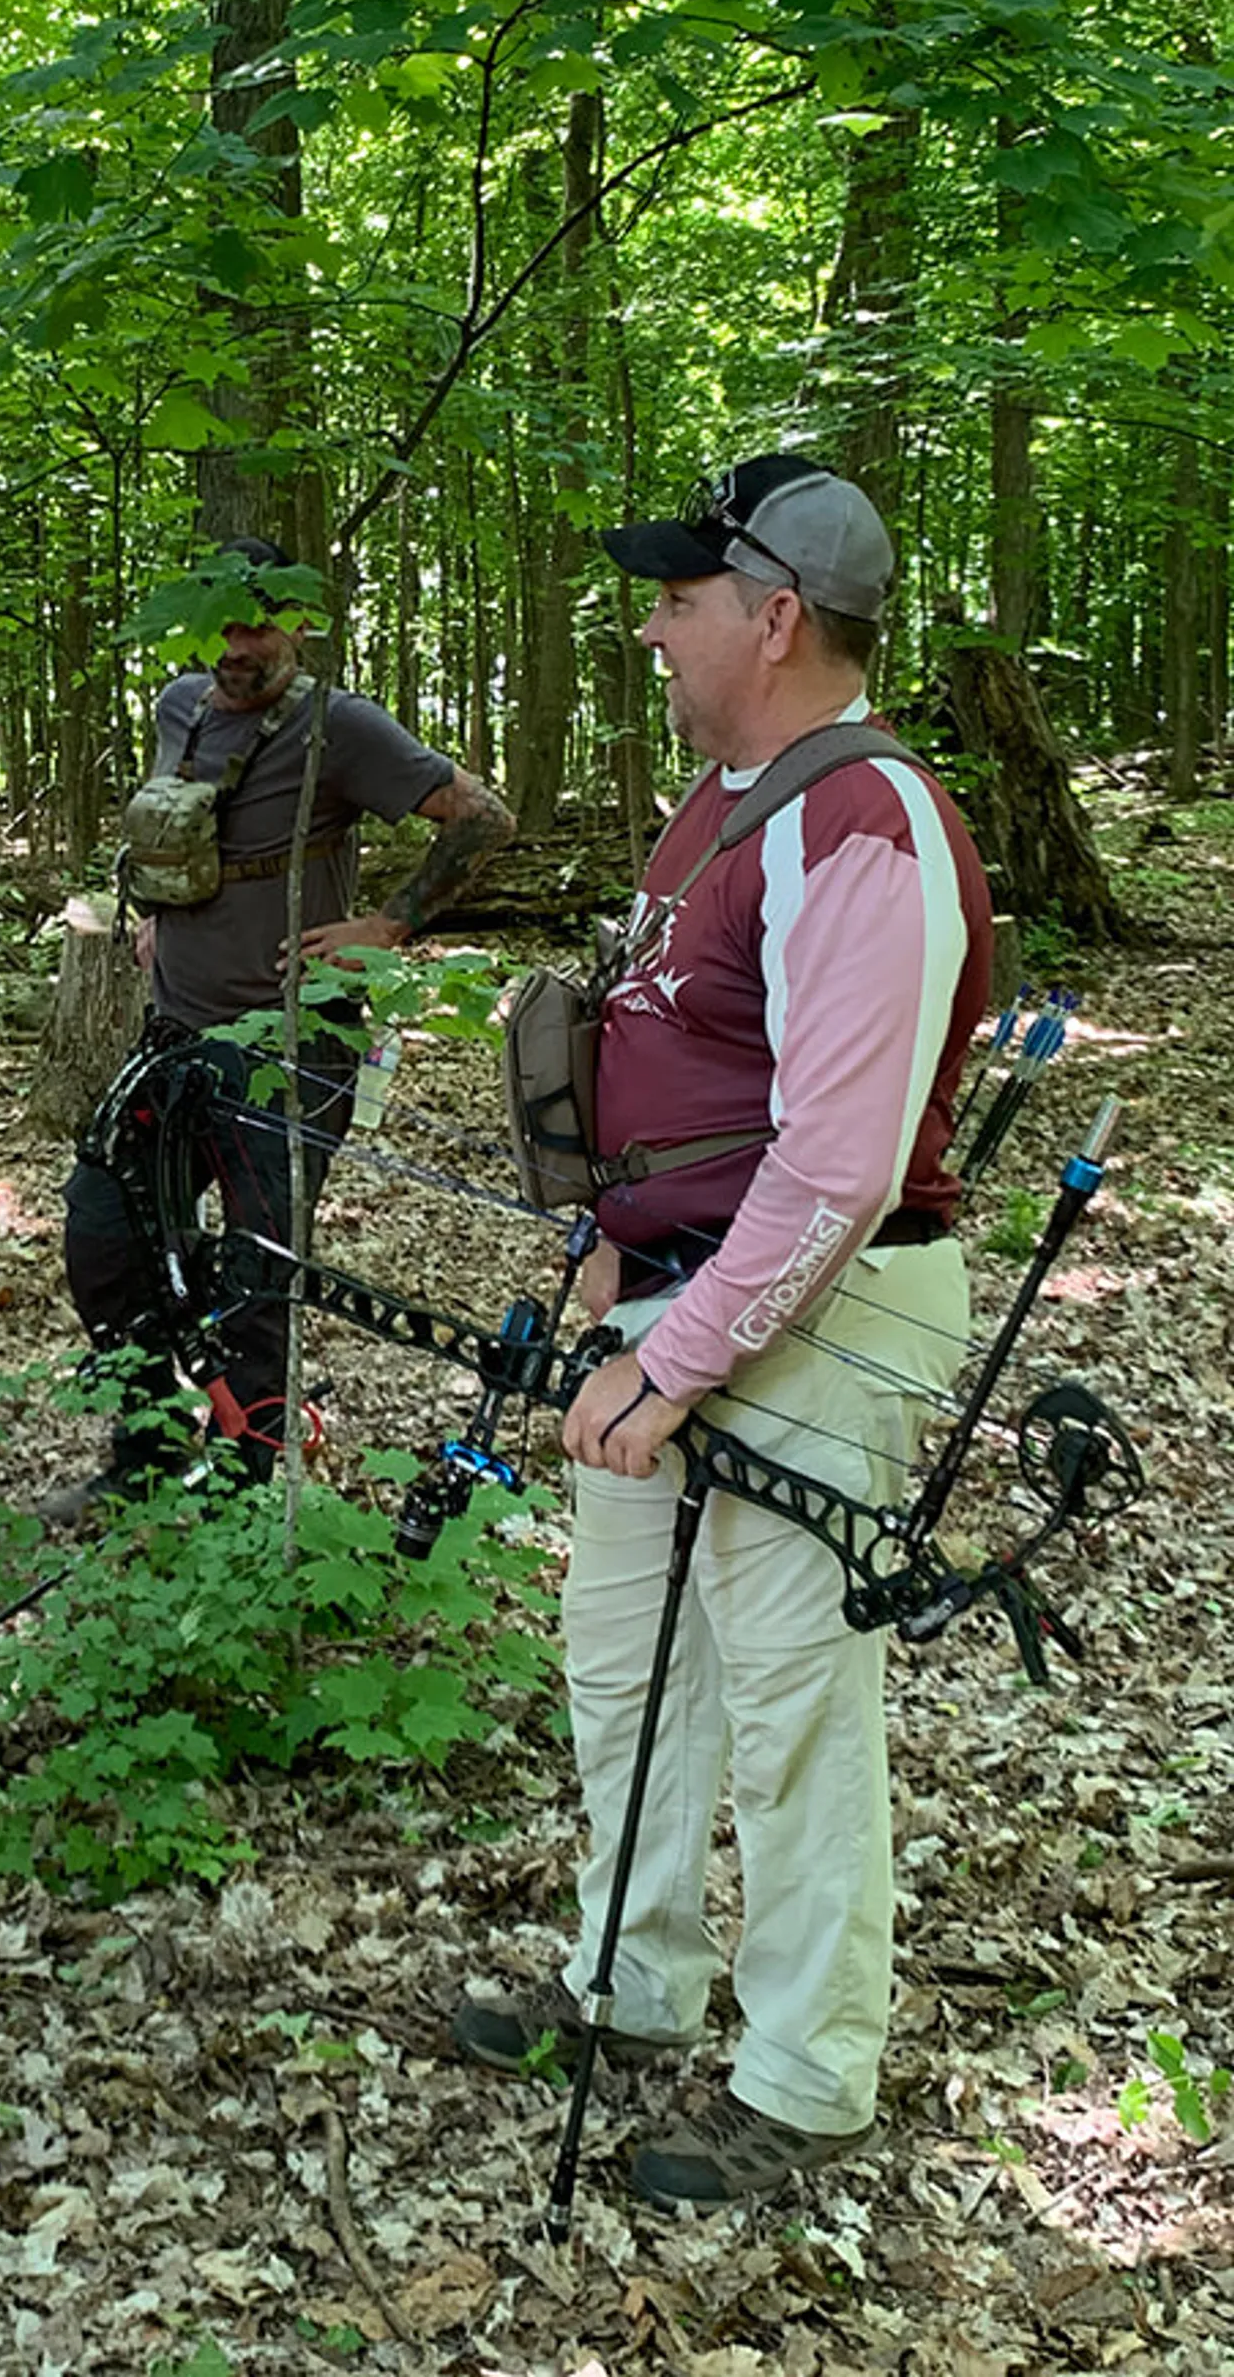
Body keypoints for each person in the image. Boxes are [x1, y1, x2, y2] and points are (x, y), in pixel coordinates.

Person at [451, 455, 994, 2210]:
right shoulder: (726, 799)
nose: (651, 629)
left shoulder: (863, 823)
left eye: (679, 600)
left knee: (788, 1700)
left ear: (774, 618)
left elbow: (837, 1165)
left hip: (814, 1321)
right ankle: (630, 1978)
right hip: (668, 1300)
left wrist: (678, 1361)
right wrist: (616, 1264)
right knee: (626, 1665)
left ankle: (807, 2075)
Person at [51, 537, 514, 1521]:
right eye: (222, 623)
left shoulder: (338, 726)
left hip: (289, 1050)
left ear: (299, 624)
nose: (237, 645)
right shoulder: (178, 708)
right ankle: (145, 1450)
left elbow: (483, 817)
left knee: (258, 1274)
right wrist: (156, 912)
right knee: (106, 1228)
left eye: (259, 625)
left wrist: (387, 925)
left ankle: (239, 1492)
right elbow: (181, 837)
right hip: (173, 1037)